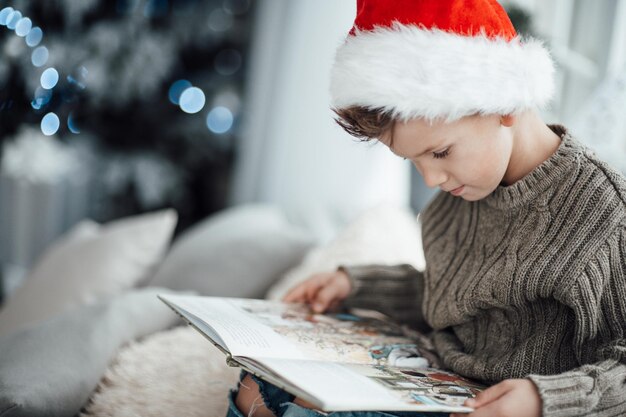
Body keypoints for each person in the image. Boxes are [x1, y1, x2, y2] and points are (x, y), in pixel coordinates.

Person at [228, 1, 626, 416]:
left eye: (440, 152)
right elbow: (453, 296)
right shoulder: (458, 198)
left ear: (505, 103)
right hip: (437, 380)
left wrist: (546, 400)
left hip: (513, 406)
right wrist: (357, 285)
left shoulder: (605, 213)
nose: (431, 180)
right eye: (413, 161)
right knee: (259, 388)